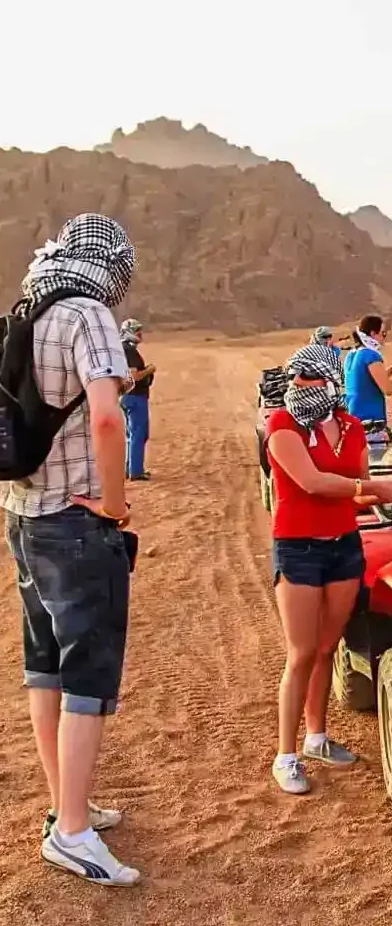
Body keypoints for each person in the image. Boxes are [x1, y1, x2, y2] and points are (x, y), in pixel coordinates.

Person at [4, 213, 140, 886]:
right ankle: (74, 834)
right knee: (87, 674)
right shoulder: (87, 311)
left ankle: (68, 806)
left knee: (43, 664)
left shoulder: (29, 303)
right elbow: (109, 416)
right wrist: (114, 504)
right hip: (76, 522)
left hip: (23, 516)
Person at [265, 343, 392, 794]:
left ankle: (317, 737)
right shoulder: (281, 424)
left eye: (310, 379)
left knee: (327, 648)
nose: (300, 387)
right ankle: (286, 755)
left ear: (329, 382)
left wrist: (389, 490)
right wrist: (370, 485)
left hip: (344, 546)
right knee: (301, 652)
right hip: (298, 549)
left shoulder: (351, 426)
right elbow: (313, 482)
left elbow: (357, 495)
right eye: (297, 379)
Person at [343, 315, 392, 426]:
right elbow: (388, 389)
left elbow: (365, 381)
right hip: (370, 418)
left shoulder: (351, 354)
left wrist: (389, 372)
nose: (384, 337)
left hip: (353, 416)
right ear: (373, 334)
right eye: (383, 333)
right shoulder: (371, 355)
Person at [119, 318, 155, 481]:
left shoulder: (124, 349)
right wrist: (149, 370)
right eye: (136, 330)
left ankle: (131, 468)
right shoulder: (128, 350)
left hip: (128, 397)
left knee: (134, 434)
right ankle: (135, 471)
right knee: (138, 434)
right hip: (134, 397)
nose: (140, 333)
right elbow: (134, 376)